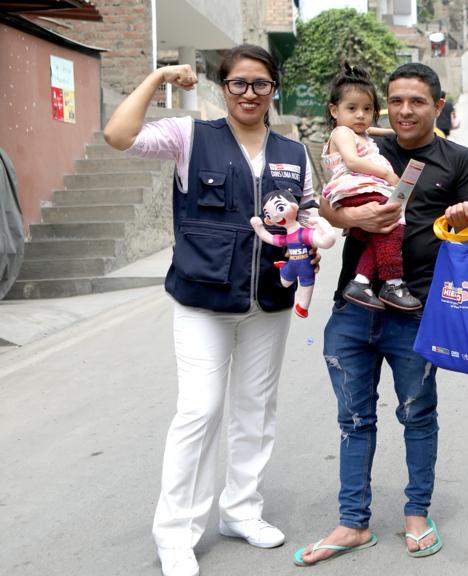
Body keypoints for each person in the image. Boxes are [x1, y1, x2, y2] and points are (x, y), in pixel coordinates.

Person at [103, 44, 318, 576]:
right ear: (224, 88)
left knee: (255, 411)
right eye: (239, 84)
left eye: (261, 84)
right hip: (202, 300)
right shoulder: (188, 137)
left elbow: (308, 210)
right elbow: (118, 136)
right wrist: (156, 77)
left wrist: (313, 236)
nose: (249, 94)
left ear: (275, 90)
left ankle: (241, 512)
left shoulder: (293, 151)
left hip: (269, 300)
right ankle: (176, 533)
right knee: (199, 411)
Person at [293, 62, 468, 566]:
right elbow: (327, 206)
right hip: (353, 309)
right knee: (353, 419)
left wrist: (466, 220)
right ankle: (352, 522)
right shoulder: (361, 145)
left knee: (418, 415)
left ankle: (417, 514)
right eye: (395, 100)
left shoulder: (458, 160)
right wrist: (350, 216)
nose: (405, 110)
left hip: (416, 311)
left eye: (417, 101)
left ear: (438, 106)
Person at [321, 66, 422, 311]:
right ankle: (392, 282)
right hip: (356, 188)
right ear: (335, 110)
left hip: (361, 189)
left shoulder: (360, 131)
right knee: (393, 223)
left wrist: (400, 129)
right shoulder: (342, 132)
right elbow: (353, 161)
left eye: (367, 109)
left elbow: (378, 130)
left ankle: (361, 282)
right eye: (352, 108)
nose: (360, 115)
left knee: (376, 238)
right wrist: (388, 174)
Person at [250, 190, 337, 318]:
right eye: (268, 214)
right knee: (284, 282)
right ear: (268, 220)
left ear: (294, 206)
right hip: (291, 265)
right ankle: (283, 267)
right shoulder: (285, 238)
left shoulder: (305, 233)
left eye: (280, 207)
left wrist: (321, 222)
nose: (274, 214)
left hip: (306, 267)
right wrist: (259, 228)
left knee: (307, 283)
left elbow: (328, 240)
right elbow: (269, 238)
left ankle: (303, 307)